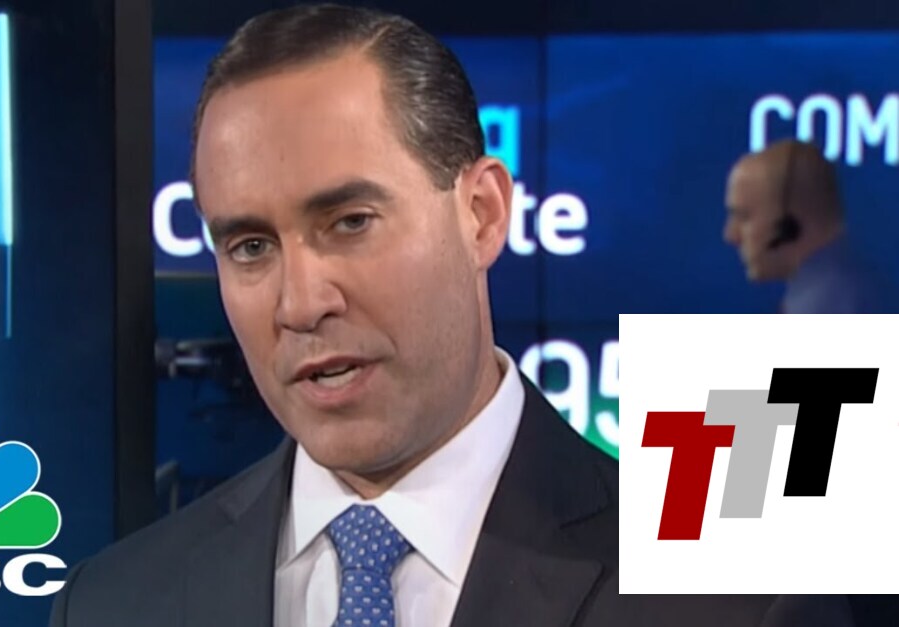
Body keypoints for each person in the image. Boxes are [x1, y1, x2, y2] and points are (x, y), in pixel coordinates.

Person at [51, 5, 853, 625]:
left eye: (350, 222)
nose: (299, 303)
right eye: (251, 246)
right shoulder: (112, 602)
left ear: (481, 214)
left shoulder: (740, 595)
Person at [724, 138, 897, 313]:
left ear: (789, 226)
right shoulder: (843, 287)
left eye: (744, 216)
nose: (731, 236)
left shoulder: (825, 305)